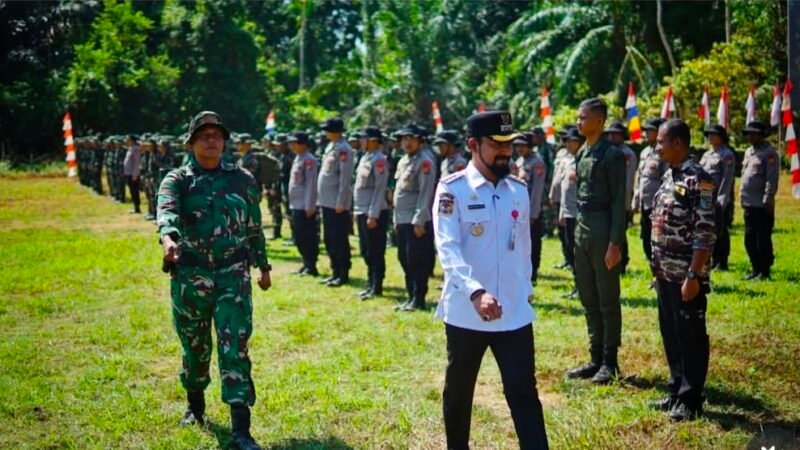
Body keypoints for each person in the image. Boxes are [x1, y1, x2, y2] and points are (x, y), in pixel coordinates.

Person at [433, 110, 549, 450]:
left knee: (523, 393)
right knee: (459, 393)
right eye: (496, 145)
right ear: (473, 144)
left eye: (508, 144)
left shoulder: (518, 190)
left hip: (513, 313)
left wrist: (523, 293)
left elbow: (524, 249)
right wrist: (476, 292)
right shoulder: (452, 190)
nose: (505, 152)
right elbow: (448, 249)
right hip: (467, 313)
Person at [157, 111, 271, 450]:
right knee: (195, 347)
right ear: (191, 142)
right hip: (190, 276)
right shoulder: (176, 180)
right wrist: (169, 239)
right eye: (204, 134)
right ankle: (195, 406)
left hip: (232, 276)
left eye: (217, 134)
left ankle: (241, 430)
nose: (211, 140)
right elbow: (166, 214)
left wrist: (263, 266)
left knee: (234, 345)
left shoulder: (243, 180)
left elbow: (254, 226)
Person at [649, 119, 716, 421]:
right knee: (672, 333)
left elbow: (705, 233)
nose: (657, 146)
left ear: (678, 143)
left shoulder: (700, 180)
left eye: (661, 142)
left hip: (686, 276)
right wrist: (657, 269)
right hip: (665, 273)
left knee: (690, 336)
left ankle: (691, 399)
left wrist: (693, 275)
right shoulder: (669, 175)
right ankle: (676, 388)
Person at [566, 98, 626, 385]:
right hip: (583, 228)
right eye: (578, 117)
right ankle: (594, 357)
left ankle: (610, 361)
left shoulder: (611, 155)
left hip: (603, 229)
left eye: (583, 117)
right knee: (588, 296)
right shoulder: (582, 153)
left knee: (607, 299)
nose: (579, 122)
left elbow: (618, 203)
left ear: (599, 121)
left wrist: (615, 243)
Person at [393, 123, 436, 311]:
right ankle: (410, 295)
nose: (406, 142)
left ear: (420, 141)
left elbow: (425, 193)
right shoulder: (403, 160)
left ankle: (419, 298)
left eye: (410, 138)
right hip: (401, 217)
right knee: (404, 258)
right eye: (404, 139)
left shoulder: (425, 161)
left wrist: (420, 219)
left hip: (415, 219)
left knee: (416, 260)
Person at [353, 126, 390, 299]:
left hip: (374, 212)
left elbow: (379, 189)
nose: (361, 141)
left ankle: (377, 285)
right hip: (362, 210)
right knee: (366, 250)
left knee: (375, 251)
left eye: (364, 138)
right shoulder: (365, 158)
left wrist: (373, 214)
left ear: (373, 141)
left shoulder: (379, 160)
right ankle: (370, 283)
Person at [317, 117, 354, 287]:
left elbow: (345, 179)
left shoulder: (344, 149)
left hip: (337, 204)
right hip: (327, 201)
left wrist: (341, 201)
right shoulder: (330, 147)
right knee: (329, 238)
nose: (326, 132)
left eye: (328, 130)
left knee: (339, 238)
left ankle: (343, 272)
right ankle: (334, 270)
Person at [740, 120, 779, 280]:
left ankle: (764, 270)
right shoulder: (749, 152)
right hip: (749, 203)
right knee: (749, 239)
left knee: (762, 238)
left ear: (761, 135)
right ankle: (755, 268)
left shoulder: (769, 153)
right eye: (749, 133)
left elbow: (771, 178)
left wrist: (768, 198)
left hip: (762, 204)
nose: (750, 136)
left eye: (753, 133)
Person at [699, 125, 735, 270]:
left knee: (721, 230)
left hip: (719, 198)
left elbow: (727, 179)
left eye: (713, 134)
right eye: (708, 134)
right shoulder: (707, 155)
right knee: (708, 230)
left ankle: (722, 260)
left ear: (721, 136)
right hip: (706, 196)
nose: (710, 137)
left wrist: (722, 199)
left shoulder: (727, 155)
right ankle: (713, 259)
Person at [632, 118, 667, 262]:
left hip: (657, 204)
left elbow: (666, 179)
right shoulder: (645, 152)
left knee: (658, 239)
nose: (646, 133)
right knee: (646, 237)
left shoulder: (664, 152)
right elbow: (640, 178)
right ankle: (653, 270)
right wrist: (635, 199)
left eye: (650, 130)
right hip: (644, 203)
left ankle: (660, 274)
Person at [513, 133, 546, 285]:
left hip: (531, 210)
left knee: (532, 243)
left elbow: (537, 191)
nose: (519, 148)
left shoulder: (537, 163)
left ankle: (533, 275)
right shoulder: (519, 162)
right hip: (518, 209)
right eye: (517, 145)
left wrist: (533, 213)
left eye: (522, 145)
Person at [287, 131, 320, 277]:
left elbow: (311, 184)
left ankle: (311, 265)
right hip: (296, 204)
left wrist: (309, 206)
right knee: (299, 236)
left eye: (296, 143)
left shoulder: (309, 160)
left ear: (304, 144)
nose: (293, 146)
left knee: (307, 237)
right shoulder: (298, 158)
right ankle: (306, 263)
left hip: (304, 206)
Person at [559, 128, 584, 298]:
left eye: (571, 141)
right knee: (570, 250)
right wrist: (562, 211)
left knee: (579, 252)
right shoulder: (569, 160)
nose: (567, 144)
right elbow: (563, 188)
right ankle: (578, 285)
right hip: (568, 212)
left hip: (579, 214)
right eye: (566, 141)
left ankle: (584, 288)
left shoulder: (585, 160)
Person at [123, 134, 142, 213]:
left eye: (128, 140)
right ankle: (135, 207)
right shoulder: (130, 148)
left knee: (135, 191)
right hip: (128, 173)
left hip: (133, 174)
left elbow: (137, 163)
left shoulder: (136, 149)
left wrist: (135, 174)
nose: (126, 141)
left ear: (132, 141)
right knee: (131, 191)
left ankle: (137, 208)